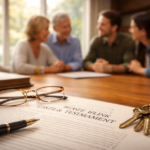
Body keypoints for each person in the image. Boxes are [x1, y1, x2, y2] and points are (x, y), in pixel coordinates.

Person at [128, 12, 150, 77]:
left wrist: (138, 69)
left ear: (143, 31)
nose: (129, 30)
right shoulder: (142, 47)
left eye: (132, 27)